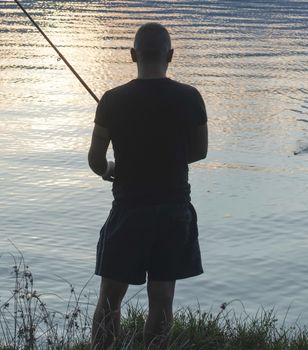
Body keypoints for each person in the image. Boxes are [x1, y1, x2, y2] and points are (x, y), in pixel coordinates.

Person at [88, 22, 208, 349]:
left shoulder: (112, 100)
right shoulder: (191, 97)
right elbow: (198, 152)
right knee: (162, 297)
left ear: (132, 55)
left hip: (129, 211)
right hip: (174, 212)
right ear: (170, 55)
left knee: (110, 298)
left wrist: (109, 168)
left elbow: (95, 160)